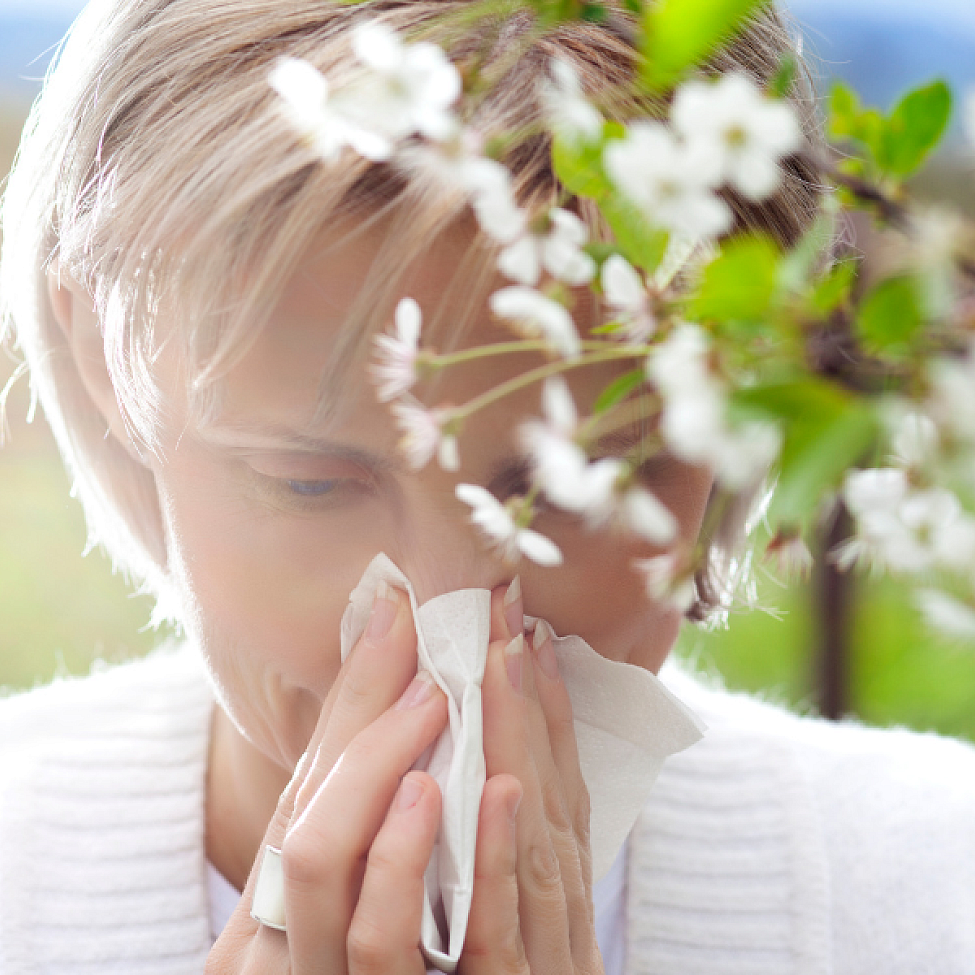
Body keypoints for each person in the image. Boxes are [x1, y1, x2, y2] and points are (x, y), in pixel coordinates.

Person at [2, 1, 975, 973]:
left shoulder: (935, 891)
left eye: (578, 482)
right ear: (107, 364)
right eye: (307, 485)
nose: (445, 637)